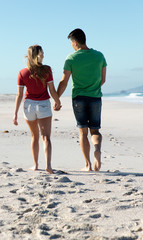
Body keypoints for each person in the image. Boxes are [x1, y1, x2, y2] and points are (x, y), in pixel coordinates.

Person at [57, 29, 107, 172]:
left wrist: (57, 98)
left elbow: (64, 81)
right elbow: (103, 79)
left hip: (79, 98)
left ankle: (88, 165)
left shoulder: (71, 58)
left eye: (71, 43)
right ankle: (97, 150)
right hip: (95, 98)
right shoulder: (99, 56)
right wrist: (92, 89)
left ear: (75, 42)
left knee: (82, 132)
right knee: (95, 131)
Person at [13, 45, 61, 174]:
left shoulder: (22, 73)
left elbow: (19, 94)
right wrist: (57, 101)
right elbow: (51, 90)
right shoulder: (47, 70)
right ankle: (48, 166)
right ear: (36, 56)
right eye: (41, 53)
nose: (43, 55)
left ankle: (35, 165)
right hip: (43, 105)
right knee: (46, 137)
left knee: (34, 137)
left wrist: (15, 114)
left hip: (29, 106)